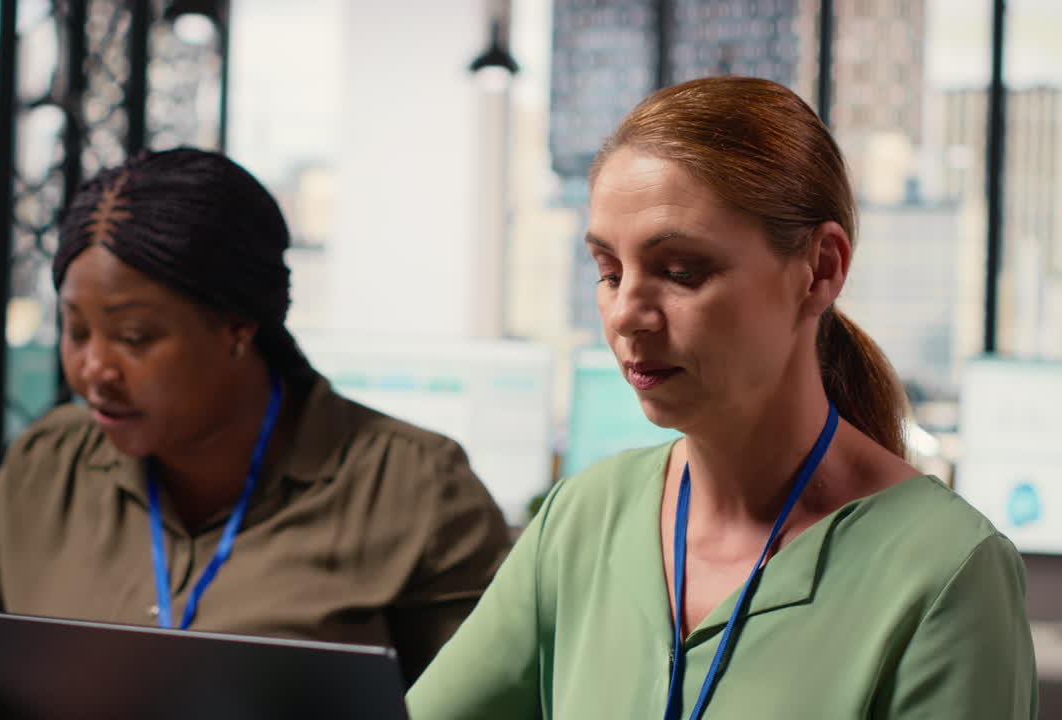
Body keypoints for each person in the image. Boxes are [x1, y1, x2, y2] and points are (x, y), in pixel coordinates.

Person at [406, 76, 1038, 719]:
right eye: (608, 272)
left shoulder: (948, 573)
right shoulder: (581, 520)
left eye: (682, 272)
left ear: (821, 269)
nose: (627, 314)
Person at [0, 148, 511, 697]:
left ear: (237, 327)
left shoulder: (417, 487)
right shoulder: (48, 464)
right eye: (75, 330)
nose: (93, 369)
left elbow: (507, 702)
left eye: (134, 336)